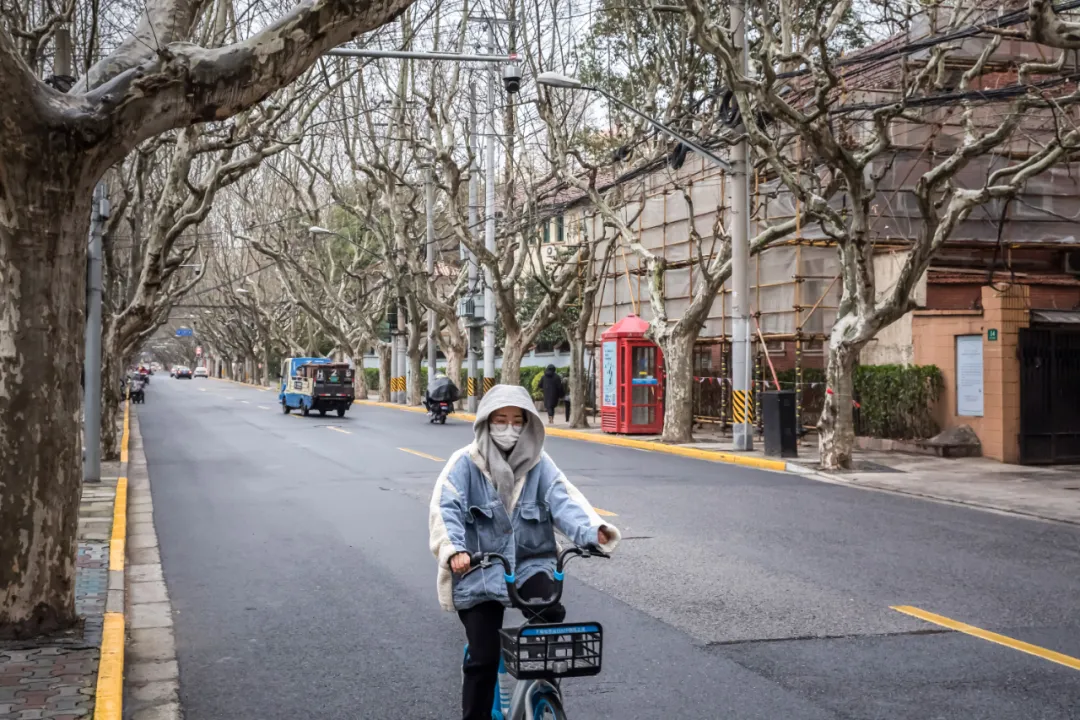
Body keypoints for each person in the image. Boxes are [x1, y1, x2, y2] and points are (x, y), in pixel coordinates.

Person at [429, 384, 619, 720]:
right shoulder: (464, 464)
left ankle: (543, 695)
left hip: (531, 565)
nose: (509, 427)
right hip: (479, 570)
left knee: (550, 625)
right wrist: (454, 550)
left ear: (528, 424)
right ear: (487, 422)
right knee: (483, 659)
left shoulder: (540, 464)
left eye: (517, 420)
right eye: (500, 419)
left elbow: (564, 500)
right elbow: (446, 509)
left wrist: (594, 531)